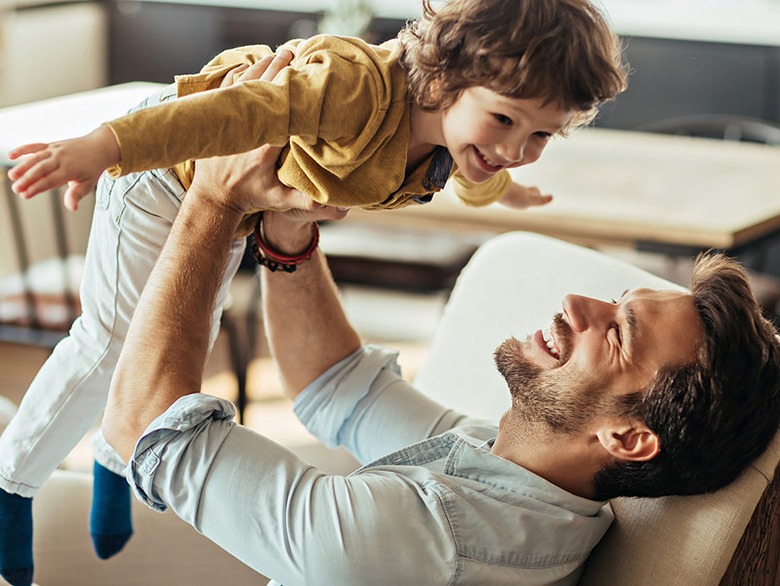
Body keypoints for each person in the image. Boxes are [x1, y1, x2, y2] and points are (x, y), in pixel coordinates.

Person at [0, 1, 628, 581]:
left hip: (236, 206)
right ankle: (12, 483)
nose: (515, 148)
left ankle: (113, 469)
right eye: (505, 120)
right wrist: (101, 146)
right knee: (112, 344)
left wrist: (507, 189)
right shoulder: (354, 89)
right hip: (168, 174)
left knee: (174, 340)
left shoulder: (455, 140)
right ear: (444, 80)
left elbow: (479, 169)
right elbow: (223, 116)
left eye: (541, 136)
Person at [92, 130, 780, 585]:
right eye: (614, 300)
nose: (577, 304)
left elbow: (145, 429)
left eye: (618, 332)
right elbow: (340, 388)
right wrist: (289, 231)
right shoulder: (527, 486)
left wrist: (216, 198)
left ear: (628, 438)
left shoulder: (439, 541)